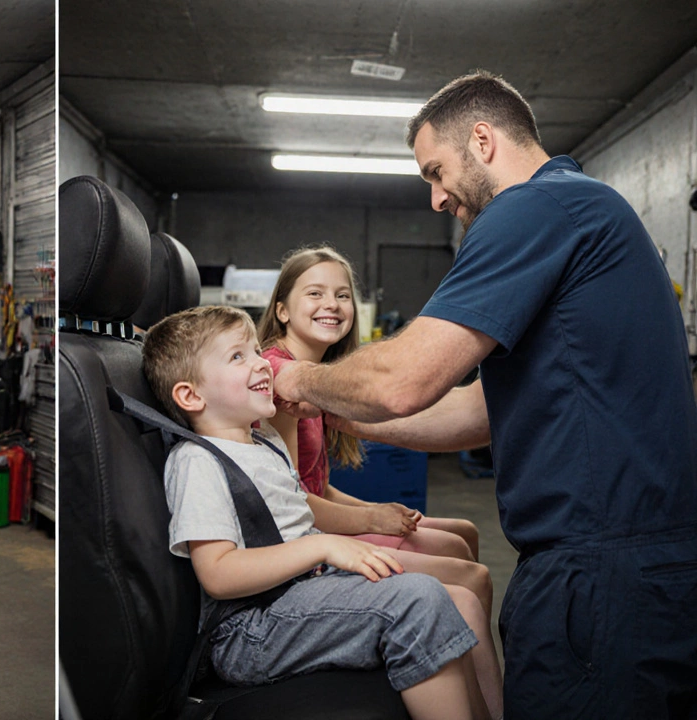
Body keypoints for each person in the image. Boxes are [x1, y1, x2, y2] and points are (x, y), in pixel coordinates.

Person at [272, 70, 697, 720]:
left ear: (483, 138)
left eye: (437, 172)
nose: (438, 198)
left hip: (600, 567)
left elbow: (404, 379)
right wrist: (337, 412)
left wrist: (297, 380)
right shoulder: (579, 209)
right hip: (626, 559)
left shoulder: (533, 209)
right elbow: (476, 413)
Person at [142, 304, 498, 720]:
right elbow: (218, 574)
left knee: (452, 596)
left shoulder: (264, 439)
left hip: (298, 594)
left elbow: (300, 508)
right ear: (190, 395)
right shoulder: (197, 462)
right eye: (238, 357)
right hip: (250, 629)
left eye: (257, 351)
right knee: (420, 599)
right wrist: (323, 548)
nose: (262, 364)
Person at [256, 246, 495, 619]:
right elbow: (294, 501)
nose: (331, 304)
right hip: (302, 539)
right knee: (471, 575)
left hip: (316, 520)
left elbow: (318, 485)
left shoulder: (317, 378)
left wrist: (379, 510)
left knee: (465, 533)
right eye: (315, 293)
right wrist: (372, 519)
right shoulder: (282, 379)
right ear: (282, 310)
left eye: (342, 295)